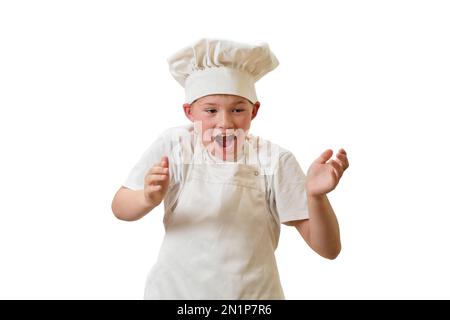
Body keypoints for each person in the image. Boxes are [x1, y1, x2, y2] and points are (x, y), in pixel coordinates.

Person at [111, 38, 349, 299]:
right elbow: (120, 207)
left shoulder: (273, 159)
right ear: (189, 112)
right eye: (210, 110)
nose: (224, 123)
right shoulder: (176, 145)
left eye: (237, 109)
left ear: (254, 111)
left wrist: (316, 196)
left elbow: (328, 249)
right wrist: (146, 198)